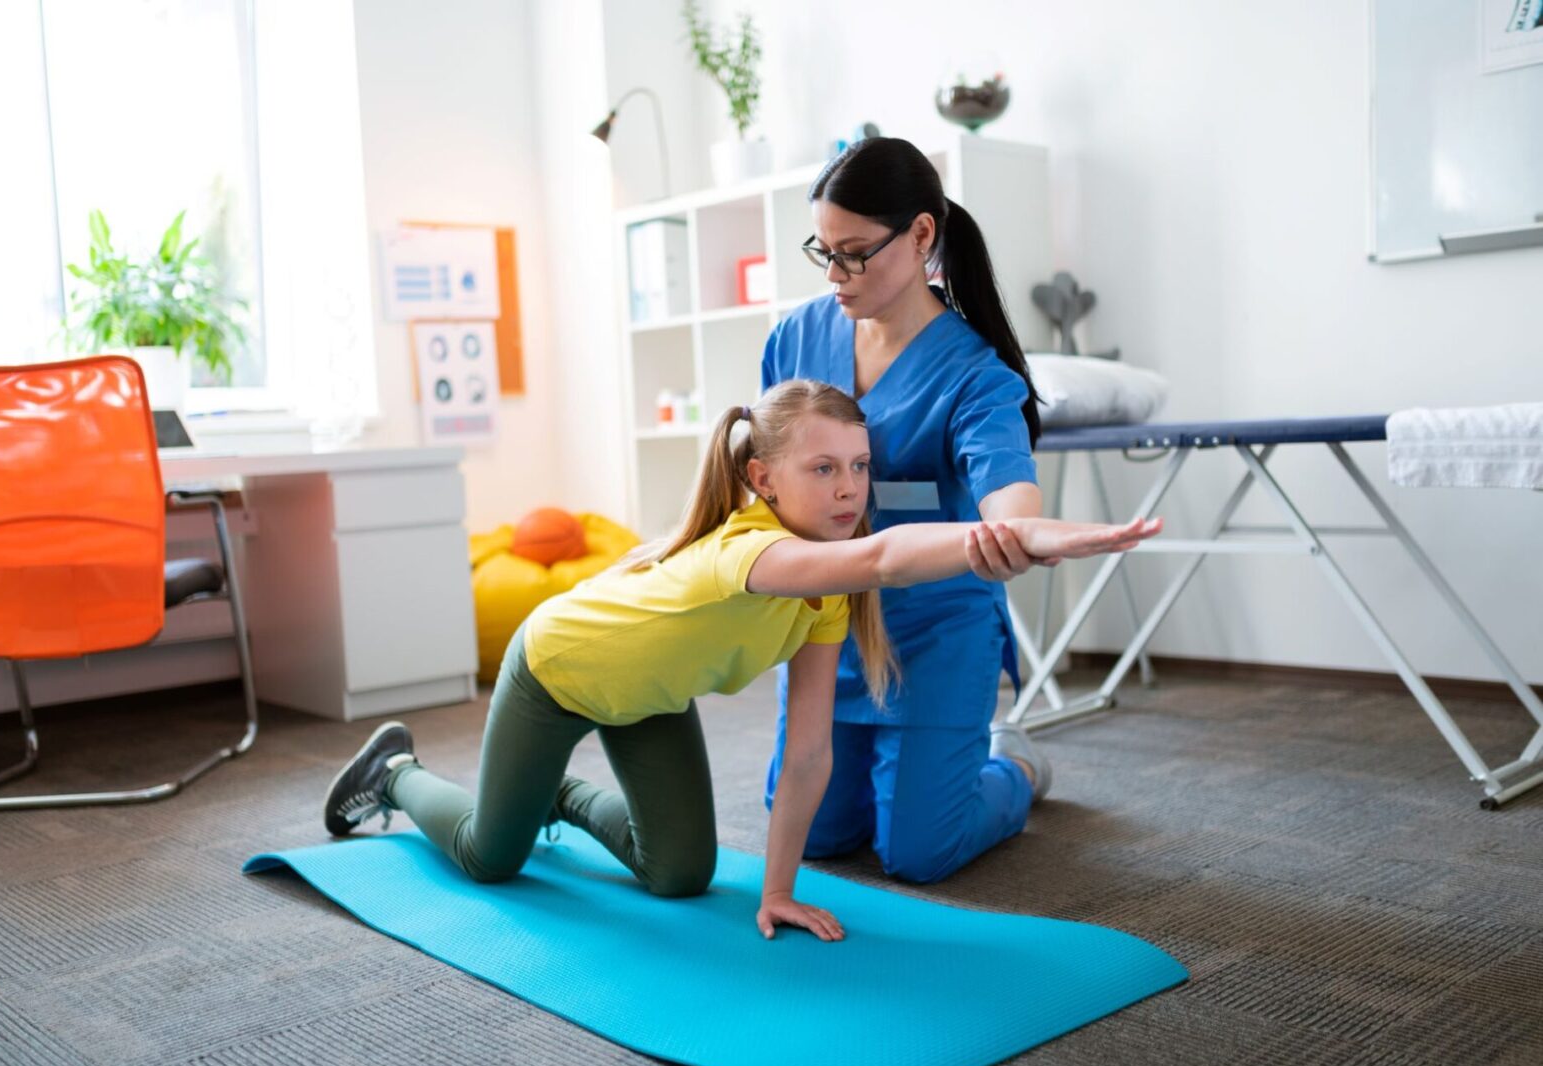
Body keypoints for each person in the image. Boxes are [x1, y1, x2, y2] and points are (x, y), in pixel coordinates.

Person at [322, 380, 1158, 940]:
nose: (849, 489)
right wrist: (1028, 536)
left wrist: (779, 891)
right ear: (761, 478)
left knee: (680, 875)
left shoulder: (825, 598)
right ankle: (394, 773)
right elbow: (882, 558)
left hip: (647, 696)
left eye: (860, 468)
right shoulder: (751, 551)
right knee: (487, 857)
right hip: (556, 672)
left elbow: (809, 752)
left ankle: (556, 792)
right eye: (824, 468)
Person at [761, 136, 1086, 883]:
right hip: (826, 634)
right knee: (816, 838)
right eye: (824, 251)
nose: (836, 274)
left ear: (920, 235)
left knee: (917, 854)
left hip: (932, 631)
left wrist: (1020, 529)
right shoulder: (795, 338)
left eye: (855, 253)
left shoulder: (973, 371)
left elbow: (1005, 478)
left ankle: (1013, 767)